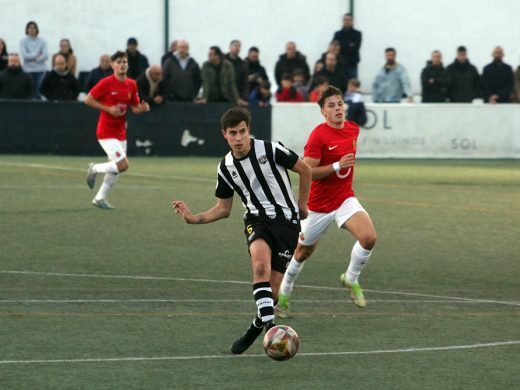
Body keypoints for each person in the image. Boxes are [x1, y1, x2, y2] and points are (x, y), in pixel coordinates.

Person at [172, 107, 311, 354]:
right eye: (233, 133)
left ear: (249, 130)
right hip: (257, 221)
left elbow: (305, 169)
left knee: (274, 292)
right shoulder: (225, 167)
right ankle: (272, 329)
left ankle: (256, 325)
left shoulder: (270, 149)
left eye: (242, 132)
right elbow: (223, 208)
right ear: (224, 134)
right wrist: (193, 218)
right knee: (260, 267)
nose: (238, 138)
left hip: (288, 223)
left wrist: (302, 204)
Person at [275, 85, 377, 318]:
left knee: (369, 237)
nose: (338, 108)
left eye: (340, 103)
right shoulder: (318, 136)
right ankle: (285, 294)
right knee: (302, 252)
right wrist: (336, 166)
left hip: (344, 199)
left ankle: (350, 279)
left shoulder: (352, 129)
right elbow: (306, 170)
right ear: (323, 111)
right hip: (318, 207)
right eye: (331, 105)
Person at [84, 51, 150, 209]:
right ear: (113, 65)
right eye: (119, 62)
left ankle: (99, 198)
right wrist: (107, 109)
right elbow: (88, 100)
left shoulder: (132, 84)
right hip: (105, 131)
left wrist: (143, 108)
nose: (122, 64)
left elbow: (134, 107)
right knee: (123, 165)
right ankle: (93, 168)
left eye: (125, 62)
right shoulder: (106, 83)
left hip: (120, 132)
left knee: (116, 169)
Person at [19, 21, 48, 99]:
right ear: (27, 30)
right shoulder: (23, 41)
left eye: (34, 27)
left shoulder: (42, 41)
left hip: (40, 70)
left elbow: (45, 55)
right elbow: (25, 56)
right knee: (29, 90)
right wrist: (37, 55)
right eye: (30, 28)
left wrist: (33, 59)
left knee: (39, 90)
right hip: (28, 70)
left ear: (37, 29)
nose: (32, 29)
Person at [332, 13, 362, 81]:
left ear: (352, 21)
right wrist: (349, 45)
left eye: (349, 20)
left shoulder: (357, 34)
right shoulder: (338, 34)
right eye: (345, 19)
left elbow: (355, 49)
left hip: (352, 64)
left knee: (353, 85)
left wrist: (341, 46)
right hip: (340, 64)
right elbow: (334, 47)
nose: (347, 21)